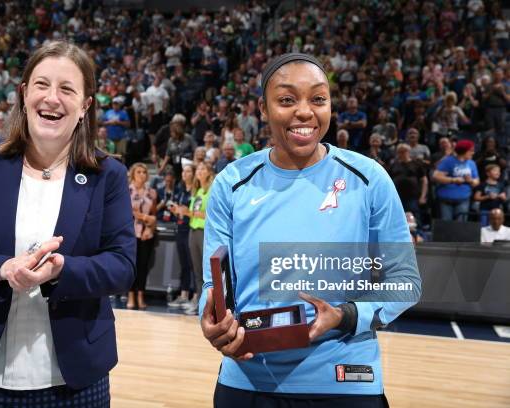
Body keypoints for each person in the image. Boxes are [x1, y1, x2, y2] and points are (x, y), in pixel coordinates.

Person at [0, 41, 135, 407]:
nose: (52, 98)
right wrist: (1, 269)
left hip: (75, 383)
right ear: (23, 94)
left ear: (85, 106)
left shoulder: (107, 175)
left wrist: (62, 269)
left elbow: (123, 266)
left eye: (67, 89)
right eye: (42, 85)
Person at [200, 53, 421, 407]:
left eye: (318, 99)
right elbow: (214, 283)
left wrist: (347, 316)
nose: (305, 112)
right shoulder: (232, 183)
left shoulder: (369, 179)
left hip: (344, 378)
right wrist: (210, 318)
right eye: (287, 100)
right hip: (248, 379)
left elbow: (405, 281)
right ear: (263, 108)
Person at [185, 161, 215, 315]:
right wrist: (183, 211)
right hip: (193, 230)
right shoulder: (197, 191)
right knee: (196, 270)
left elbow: (212, 214)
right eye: (198, 169)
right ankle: (199, 304)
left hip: (205, 233)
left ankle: (210, 307)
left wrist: (196, 214)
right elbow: (193, 212)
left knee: (206, 272)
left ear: (209, 172)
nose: (199, 171)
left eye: (203, 168)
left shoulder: (212, 190)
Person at [128, 162, 157, 310]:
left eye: (144, 172)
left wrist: (149, 226)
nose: (142, 174)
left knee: (143, 266)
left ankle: (140, 294)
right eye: (138, 172)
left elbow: (153, 216)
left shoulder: (151, 192)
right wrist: (144, 217)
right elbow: (123, 213)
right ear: (133, 174)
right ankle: (131, 294)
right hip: (129, 234)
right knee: (130, 265)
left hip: (146, 234)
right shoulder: (126, 191)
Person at [167, 163, 196, 309]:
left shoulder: (196, 191)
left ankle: (195, 296)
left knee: (194, 265)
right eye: (184, 171)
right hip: (181, 228)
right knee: (184, 264)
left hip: (192, 229)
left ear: (193, 173)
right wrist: (175, 210)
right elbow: (179, 209)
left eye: (188, 171)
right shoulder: (180, 190)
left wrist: (184, 211)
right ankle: (183, 295)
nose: (185, 174)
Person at [433, 139, 480, 222]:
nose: (473, 153)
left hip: (463, 198)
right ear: (464, 151)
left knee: (461, 225)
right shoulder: (448, 161)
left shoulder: (471, 163)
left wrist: (470, 181)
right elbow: (436, 176)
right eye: (471, 151)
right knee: (446, 225)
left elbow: (477, 181)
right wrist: (453, 180)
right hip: (446, 199)